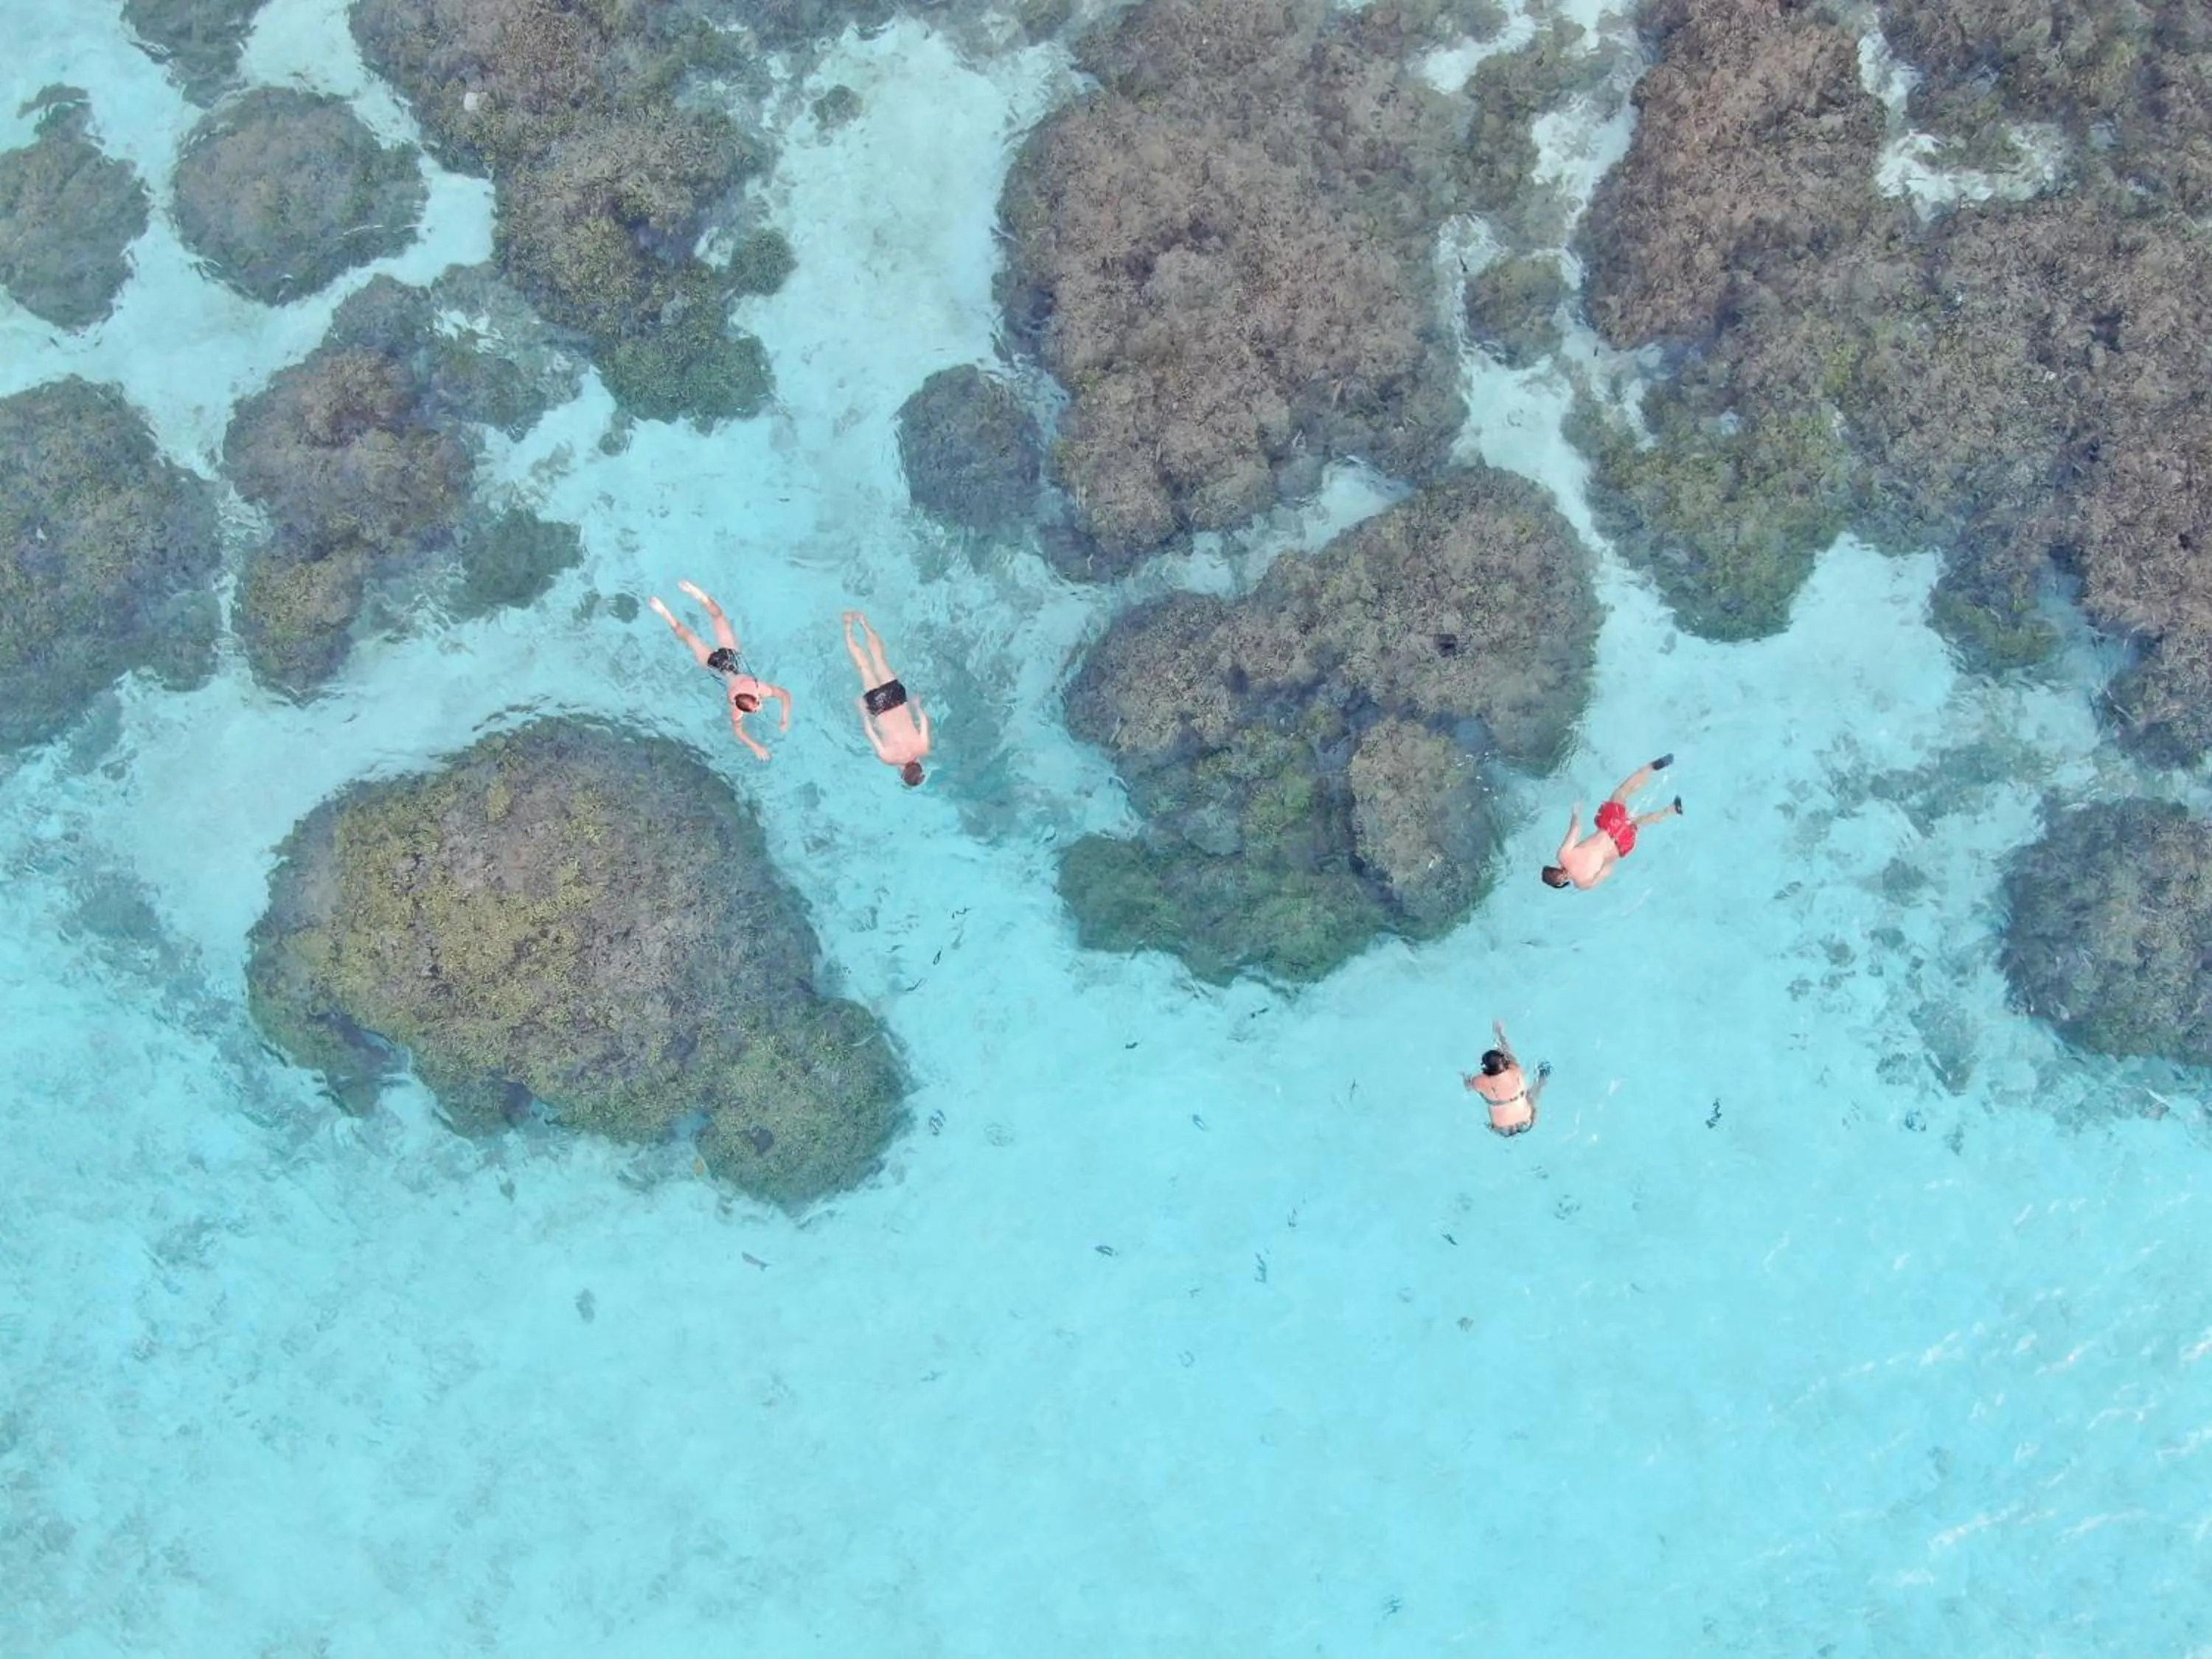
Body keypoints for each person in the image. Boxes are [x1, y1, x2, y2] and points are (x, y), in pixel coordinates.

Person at [647, 580, 792, 761]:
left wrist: (783, 720)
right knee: (689, 634)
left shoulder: (757, 687)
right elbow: (738, 730)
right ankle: (664, 611)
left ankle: (695, 595)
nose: (759, 708)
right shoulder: (735, 704)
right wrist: (757, 745)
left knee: (717, 616)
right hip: (715, 665)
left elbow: (784, 695)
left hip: (731, 657)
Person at [1543, 753, 1682, 891]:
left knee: (1639, 822)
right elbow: (1577, 828)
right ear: (1554, 867)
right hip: (1609, 825)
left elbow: (1608, 871)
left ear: (1560, 884)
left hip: (1621, 845)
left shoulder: (1584, 884)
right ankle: (1652, 767)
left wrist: (1613, 856)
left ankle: (1673, 810)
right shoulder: (1564, 856)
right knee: (1622, 793)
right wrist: (1576, 812)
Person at [841, 609, 931, 786]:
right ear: (902, 772)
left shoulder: (923, 747)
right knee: (864, 667)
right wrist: (863, 711)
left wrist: (916, 705)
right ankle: (848, 627)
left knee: (880, 659)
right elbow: (869, 731)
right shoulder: (888, 758)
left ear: (920, 766)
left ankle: (863, 622)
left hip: (897, 698)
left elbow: (923, 721)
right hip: (879, 706)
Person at [1463, 1020, 1551, 1138]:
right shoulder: (1515, 1071)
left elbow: (1468, 1086)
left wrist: (1464, 1076)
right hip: (1527, 1122)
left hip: (1502, 1129)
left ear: (1485, 1068)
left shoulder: (1481, 1081)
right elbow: (1508, 1051)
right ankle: (1541, 1080)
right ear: (1504, 1062)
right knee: (1528, 1096)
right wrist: (1500, 1034)